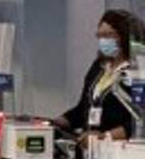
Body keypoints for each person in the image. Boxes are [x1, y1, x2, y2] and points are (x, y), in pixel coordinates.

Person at [55, 9, 140, 147]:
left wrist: (105, 137)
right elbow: (83, 108)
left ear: (125, 36)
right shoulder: (99, 66)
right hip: (91, 148)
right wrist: (55, 123)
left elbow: (140, 121)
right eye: (99, 36)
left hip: (120, 148)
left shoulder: (138, 71)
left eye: (108, 35)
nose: (103, 41)